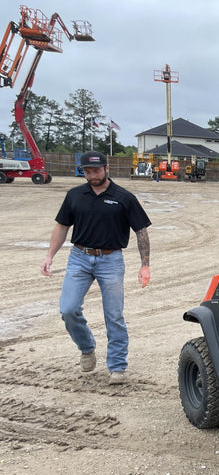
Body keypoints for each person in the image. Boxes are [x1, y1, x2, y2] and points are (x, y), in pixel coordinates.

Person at [40, 151, 152, 386]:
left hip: (111, 260)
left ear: (106, 168)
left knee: (114, 315)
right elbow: (62, 227)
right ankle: (87, 348)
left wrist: (145, 265)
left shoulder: (124, 197)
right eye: (87, 172)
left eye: (96, 171)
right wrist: (50, 255)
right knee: (68, 309)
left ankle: (117, 366)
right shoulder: (74, 195)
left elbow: (141, 231)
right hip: (79, 257)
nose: (92, 176)